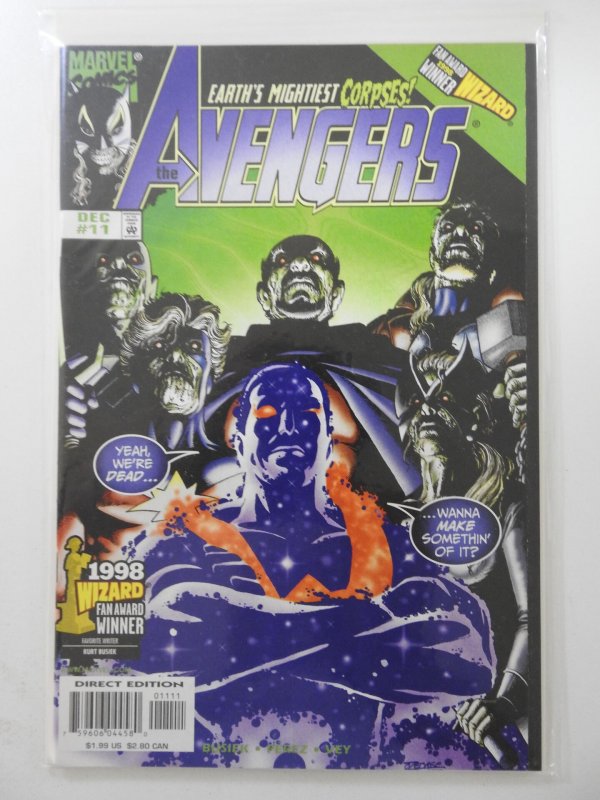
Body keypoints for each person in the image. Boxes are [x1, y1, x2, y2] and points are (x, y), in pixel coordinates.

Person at [126, 362, 498, 768]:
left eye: (306, 414)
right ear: (239, 439)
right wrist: (368, 619)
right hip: (217, 774)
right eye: (269, 414)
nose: (289, 428)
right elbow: (166, 634)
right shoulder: (185, 534)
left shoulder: (386, 537)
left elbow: (467, 651)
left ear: (326, 438)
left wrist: (244, 632)